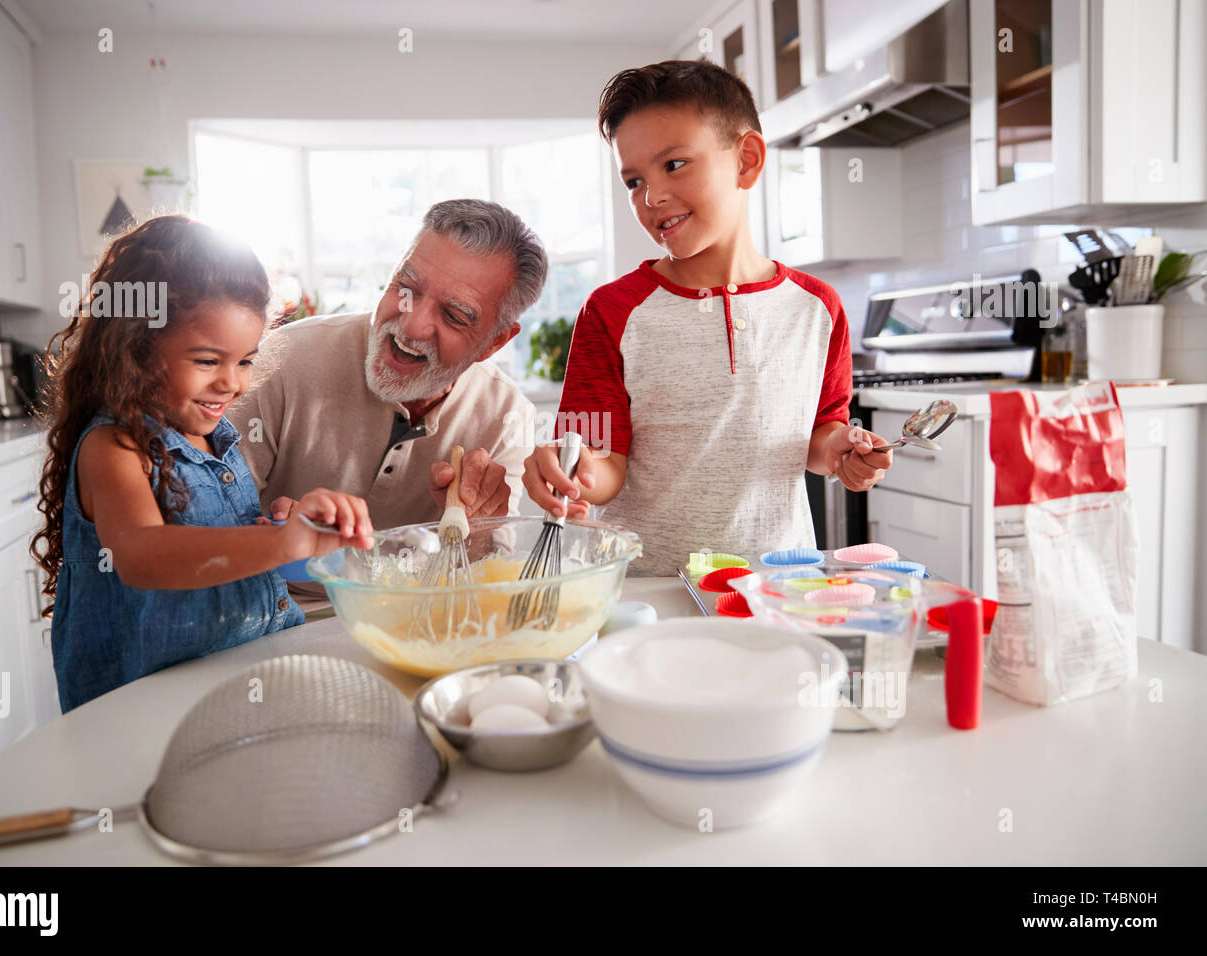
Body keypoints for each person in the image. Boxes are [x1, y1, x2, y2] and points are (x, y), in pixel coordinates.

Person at [522, 60, 894, 575]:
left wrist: (842, 455)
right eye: (633, 181)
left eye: (673, 164)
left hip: (778, 584)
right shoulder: (610, 311)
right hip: (649, 592)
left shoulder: (818, 308)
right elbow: (604, 459)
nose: (651, 198)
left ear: (746, 160)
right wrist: (578, 470)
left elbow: (819, 432)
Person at [33, 215, 372, 711]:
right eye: (209, 361)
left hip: (237, 687)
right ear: (136, 351)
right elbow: (142, 553)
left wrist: (280, 526)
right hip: (141, 713)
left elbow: (217, 545)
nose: (232, 383)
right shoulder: (114, 448)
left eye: (246, 361)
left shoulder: (217, 440)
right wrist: (276, 540)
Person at [228, 198, 580, 608]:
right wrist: (273, 537)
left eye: (453, 316)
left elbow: (484, 584)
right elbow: (199, 530)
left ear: (496, 342)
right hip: (271, 612)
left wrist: (479, 529)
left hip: (415, 620)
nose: (410, 324)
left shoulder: (507, 416)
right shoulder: (281, 359)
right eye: (406, 288)